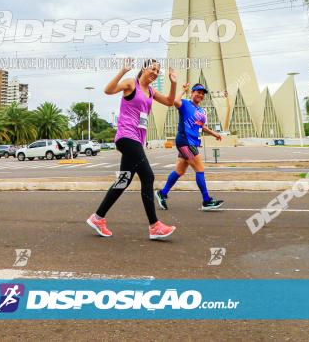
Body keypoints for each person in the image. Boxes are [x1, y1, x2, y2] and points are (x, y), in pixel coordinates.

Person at [87, 58, 178, 240]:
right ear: (144, 69)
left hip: (137, 140)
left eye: (157, 71)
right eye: (152, 69)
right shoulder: (131, 83)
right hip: (126, 137)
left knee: (124, 180)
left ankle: (97, 218)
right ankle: (154, 226)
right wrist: (123, 71)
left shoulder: (151, 91)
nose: (154, 73)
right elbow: (108, 90)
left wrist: (173, 83)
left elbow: (169, 102)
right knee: (148, 176)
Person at [155, 83, 224, 211]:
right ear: (192, 93)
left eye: (203, 93)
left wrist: (214, 133)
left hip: (191, 142)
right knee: (199, 169)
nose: (200, 95)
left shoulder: (202, 111)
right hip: (185, 141)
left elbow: (201, 126)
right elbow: (175, 101)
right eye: (198, 92)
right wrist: (182, 90)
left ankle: (162, 193)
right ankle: (206, 201)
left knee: (179, 171)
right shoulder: (185, 104)